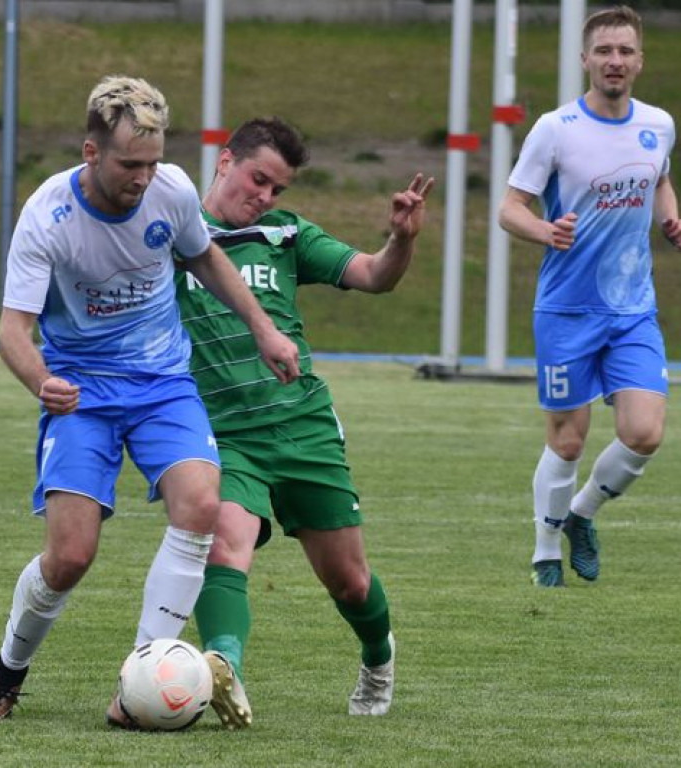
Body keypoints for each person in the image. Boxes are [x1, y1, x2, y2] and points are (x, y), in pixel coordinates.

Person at [0, 76, 300, 726]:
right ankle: (8, 669)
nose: (144, 178)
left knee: (202, 504)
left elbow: (205, 260)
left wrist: (263, 328)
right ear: (91, 153)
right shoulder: (47, 217)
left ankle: (141, 681)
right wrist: (42, 381)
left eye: (152, 163)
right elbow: (12, 331)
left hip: (162, 385)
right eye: (129, 164)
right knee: (69, 557)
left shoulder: (170, 190)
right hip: (81, 393)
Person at [174, 117, 433, 727]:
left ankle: (378, 655)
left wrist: (402, 239)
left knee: (349, 581)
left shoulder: (286, 235)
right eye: (258, 179)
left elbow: (374, 275)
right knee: (224, 542)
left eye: (277, 189)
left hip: (303, 427)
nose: (264, 196)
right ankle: (223, 667)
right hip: (223, 431)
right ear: (224, 160)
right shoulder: (173, 233)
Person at [498, 5, 681, 588]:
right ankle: (545, 549)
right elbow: (510, 209)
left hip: (632, 309)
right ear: (585, 60)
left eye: (625, 51)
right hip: (566, 310)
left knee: (645, 433)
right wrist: (545, 231)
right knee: (569, 438)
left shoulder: (659, 123)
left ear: (639, 61)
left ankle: (581, 515)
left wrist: (673, 220)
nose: (615, 61)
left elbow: (658, 179)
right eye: (604, 50)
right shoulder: (556, 129)